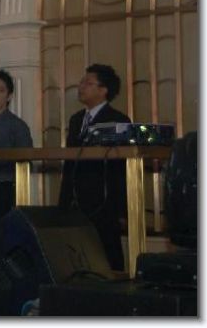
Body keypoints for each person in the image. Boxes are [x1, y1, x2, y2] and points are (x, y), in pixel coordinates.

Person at [59, 63, 131, 271]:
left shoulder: (118, 120)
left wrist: (122, 210)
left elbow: (120, 169)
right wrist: (64, 201)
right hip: (76, 201)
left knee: (109, 256)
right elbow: (69, 163)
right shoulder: (76, 120)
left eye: (88, 83)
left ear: (103, 90)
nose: (81, 87)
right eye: (82, 82)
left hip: (104, 202)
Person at [0, 69, 33, 233]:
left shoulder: (18, 126)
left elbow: (26, 160)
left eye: (1, 91)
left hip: (5, 187)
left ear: (9, 96)